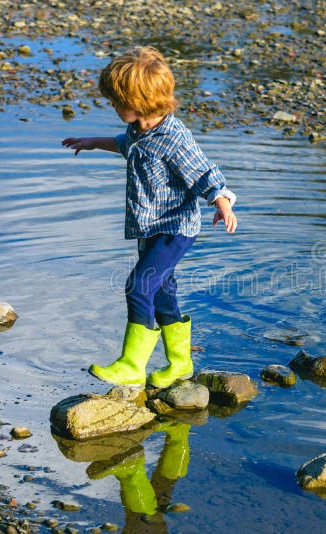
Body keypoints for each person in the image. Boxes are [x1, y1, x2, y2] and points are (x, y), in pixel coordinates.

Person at [62, 46, 237, 388]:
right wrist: (93, 142)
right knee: (161, 293)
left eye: (116, 102)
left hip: (175, 229)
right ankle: (180, 365)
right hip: (151, 228)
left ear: (139, 102)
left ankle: (131, 365)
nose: (113, 107)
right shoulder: (140, 130)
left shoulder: (174, 137)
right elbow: (126, 144)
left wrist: (222, 201)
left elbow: (204, 171)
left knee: (138, 286)